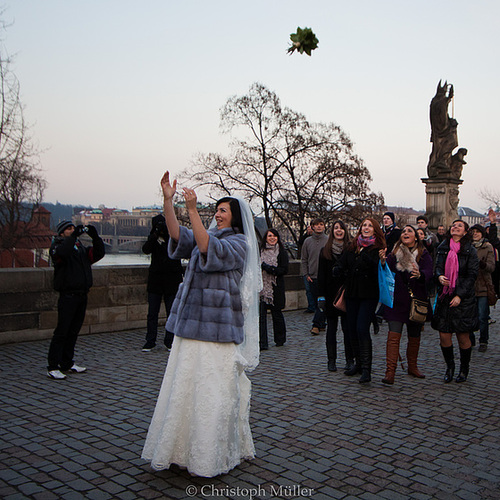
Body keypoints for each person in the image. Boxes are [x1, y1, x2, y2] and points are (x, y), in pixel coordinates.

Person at [142, 172, 261, 477]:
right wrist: (169, 201)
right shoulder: (207, 234)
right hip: (191, 326)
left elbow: (208, 249)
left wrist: (193, 209)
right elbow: (177, 235)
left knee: (211, 390)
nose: (217, 214)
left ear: (234, 217)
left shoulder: (239, 243)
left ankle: (209, 452)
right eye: (216, 210)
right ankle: (180, 447)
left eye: (223, 210)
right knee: (184, 386)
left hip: (218, 329)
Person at [47, 221, 105, 380]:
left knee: (73, 331)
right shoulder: (57, 247)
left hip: (81, 294)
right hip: (68, 295)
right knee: (62, 331)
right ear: (61, 233)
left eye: (73, 228)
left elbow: (98, 253)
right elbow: (63, 254)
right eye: (68, 229)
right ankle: (52, 366)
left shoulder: (79, 249)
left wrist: (95, 237)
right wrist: (73, 236)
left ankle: (67, 362)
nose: (72, 230)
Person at [333, 218, 386, 383]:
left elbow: (377, 268)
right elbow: (342, 264)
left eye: (370, 226)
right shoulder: (352, 246)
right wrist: (337, 270)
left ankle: (366, 369)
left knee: (362, 329)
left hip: (368, 294)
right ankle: (357, 362)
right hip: (352, 292)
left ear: (375, 230)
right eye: (364, 225)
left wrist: (365, 254)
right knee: (351, 329)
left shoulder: (378, 249)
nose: (366, 228)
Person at [379, 226, 433, 384]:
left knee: (414, 336)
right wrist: (382, 262)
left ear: (416, 237)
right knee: (393, 336)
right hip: (397, 300)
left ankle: (412, 366)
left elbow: (429, 272)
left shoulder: (423, 254)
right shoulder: (394, 253)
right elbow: (385, 271)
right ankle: (390, 371)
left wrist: (421, 275)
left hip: (416, 300)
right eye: (403, 232)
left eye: (410, 231)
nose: (406, 233)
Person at [432, 220, 479, 383]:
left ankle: (464, 369)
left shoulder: (470, 251)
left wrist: (459, 295)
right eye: (453, 225)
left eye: (459, 226)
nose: (455, 227)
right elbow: (437, 267)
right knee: (444, 335)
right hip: (445, 296)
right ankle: (449, 367)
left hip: (463, 299)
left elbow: (472, 275)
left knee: (463, 336)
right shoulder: (442, 247)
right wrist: (439, 276)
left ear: (465, 232)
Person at [141, 214, 184, 352]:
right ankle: (150, 340)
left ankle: (170, 340)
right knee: (152, 313)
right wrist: (155, 235)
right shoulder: (153, 239)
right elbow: (146, 249)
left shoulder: (174, 238)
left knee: (171, 312)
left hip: (171, 280)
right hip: (156, 280)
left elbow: (180, 250)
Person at [317, 220, 351, 372]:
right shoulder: (325, 251)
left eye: (341, 228)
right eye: (336, 228)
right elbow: (321, 275)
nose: (339, 231)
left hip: (346, 294)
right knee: (331, 328)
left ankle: (350, 359)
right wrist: (321, 296)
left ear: (345, 231)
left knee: (347, 329)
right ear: (332, 232)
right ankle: (331, 360)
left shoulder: (350, 249)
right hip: (330, 294)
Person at [259, 229, 289, 350]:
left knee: (277, 314)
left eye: (274, 236)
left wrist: (270, 269)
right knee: (261, 316)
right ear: (265, 238)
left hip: (276, 287)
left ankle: (280, 339)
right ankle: (262, 342)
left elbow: (284, 270)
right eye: (269, 236)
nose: (272, 238)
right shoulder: (260, 251)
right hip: (262, 288)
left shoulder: (281, 252)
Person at [469, 224, 495, 352]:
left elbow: (492, 267)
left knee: (483, 316)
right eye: (473, 232)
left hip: (483, 285)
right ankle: (470, 338)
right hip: (469, 286)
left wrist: (483, 264)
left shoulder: (487, 246)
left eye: (477, 232)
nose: (475, 234)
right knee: (469, 315)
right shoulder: (468, 246)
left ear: (482, 233)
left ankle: (483, 340)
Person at [301, 218, 328, 334]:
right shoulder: (307, 241)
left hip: (325, 277)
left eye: (321, 224)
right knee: (317, 301)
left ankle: (316, 325)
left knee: (322, 301)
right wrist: (306, 274)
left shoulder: (328, 240)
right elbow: (304, 259)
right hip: (312, 277)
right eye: (316, 225)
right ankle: (322, 323)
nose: (319, 227)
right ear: (312, 227)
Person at [298, 225, 315, 313]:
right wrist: (307, 234)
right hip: (307, 268)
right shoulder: (307, 239)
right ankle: (311, 306)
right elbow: (300, 242)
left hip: (315, 268)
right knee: (308, 290)